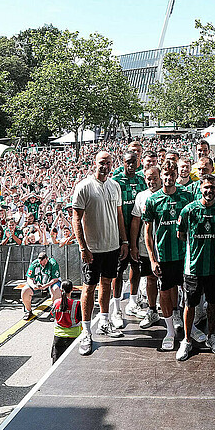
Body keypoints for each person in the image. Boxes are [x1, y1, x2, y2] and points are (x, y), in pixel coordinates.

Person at [71, 150, 128, 356]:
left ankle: (104, 322)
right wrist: (83, 247)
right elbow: (76, 219)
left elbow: (119, 215)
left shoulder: (115, 186)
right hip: (92, 249)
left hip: (112, 246)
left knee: (107, 283)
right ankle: (86, 332)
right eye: (102, 162)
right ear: (95, 163)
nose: (105, 165)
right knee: (89, 288)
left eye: (108, 162)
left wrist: (124, 241)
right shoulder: (84, 187)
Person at [176, 175, 215, 360]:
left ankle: (212, 336)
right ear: (200, 188)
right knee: (190, 304)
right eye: (206, 187)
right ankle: (187, 340)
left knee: (213, 303)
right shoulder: (188, 210)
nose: (209, 191)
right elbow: (181, 235)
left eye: (213, 188)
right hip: (192, 267)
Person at [143, 165, 196, 351]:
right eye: (165, 174)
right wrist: (152, 258)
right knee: (165, 292)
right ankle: (170, 332)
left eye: (172, 174)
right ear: (160, 176)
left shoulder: (187, 196)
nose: (168, 177)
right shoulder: (153, 200)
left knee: (189, 292)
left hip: (186, 255)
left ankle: (192, 326)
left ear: (176, 175)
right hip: (164, 256)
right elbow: (148, 232)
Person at [113, 152, 148, 326]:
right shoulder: (116, 181)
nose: (131, 165)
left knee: (136, 266)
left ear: (138, 162)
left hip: (138, 233)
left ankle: (133, 302)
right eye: (128, 162)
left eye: (134, 162)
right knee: (118, 271)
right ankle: (116, 309)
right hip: (120, 233)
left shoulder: (142, 181)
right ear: (123, 163)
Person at [129, 165, 163, 330]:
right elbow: (136, 221)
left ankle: (175, 311)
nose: (152, 181)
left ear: (161, 177)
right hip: (146, 246)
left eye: (154, 177)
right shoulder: (141, 196)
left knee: (170, 282)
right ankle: (152, 310)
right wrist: (134, 245)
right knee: (150, 278)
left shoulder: (169, 193)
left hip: (167, 246)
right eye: (148, 178)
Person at [21, 251, 62, 320]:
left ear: (47, 259)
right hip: (38, 283)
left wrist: (46, 286)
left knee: (56, 289)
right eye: (41, 263)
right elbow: (29, 278)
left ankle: (56, 311)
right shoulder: (35, 263)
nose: (42, 265)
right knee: (25, 290)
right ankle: (28, 311)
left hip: (50, 283)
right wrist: (33, 285)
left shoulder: (53, 263)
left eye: (44, 263)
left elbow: (55, 279)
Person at [51, 280, 82, 362]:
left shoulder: (56, 302)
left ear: (61, 289)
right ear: (72, 289)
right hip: (74, 336)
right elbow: (81, 318)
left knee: (56, 362)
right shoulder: (76, 304)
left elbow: (53, 314)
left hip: (58, 336)